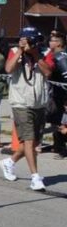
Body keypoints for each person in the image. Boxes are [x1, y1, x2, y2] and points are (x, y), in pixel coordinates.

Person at [0, 27, 53, 192]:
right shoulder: (14, 51)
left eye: (29, 40)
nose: (26, 42)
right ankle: (35, 177)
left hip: (39, 103)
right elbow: (8, 69)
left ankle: (9, 162)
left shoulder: (45, 53)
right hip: (21, 102)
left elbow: (48, 73)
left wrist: (36, 55)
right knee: (28, 141)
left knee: (34, 141)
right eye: (24, 39)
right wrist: (20, 52)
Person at [43, 30, 67, 158]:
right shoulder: (57, 54)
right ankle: (57, 145)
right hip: (57, 94)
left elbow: (50, 71)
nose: (49, 42)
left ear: (58, 43)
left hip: (62, 95)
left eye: (52, 40)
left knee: (61, 122)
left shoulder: (59, 56)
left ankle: (61, 148)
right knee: (56, 121)